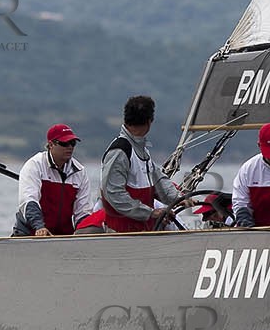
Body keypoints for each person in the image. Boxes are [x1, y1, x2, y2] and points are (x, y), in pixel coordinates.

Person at [101, 95, 185, 233]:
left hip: (142, 232)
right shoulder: (120, 151)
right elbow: (114, 194)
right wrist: (150, 213)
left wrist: (179, 199)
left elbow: (158, 179)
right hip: (121, 234)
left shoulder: (141, 150)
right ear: (149, 121)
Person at [13, 123, 94, 236]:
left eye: (73, 143)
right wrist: (40, 227)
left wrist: (85, 231)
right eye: (64, 143)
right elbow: (28, 201)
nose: (70, 147)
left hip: (63, 235)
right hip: (30, 233)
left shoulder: (80, 171)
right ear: (51, 145)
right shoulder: (34, 165)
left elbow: (83, 211)